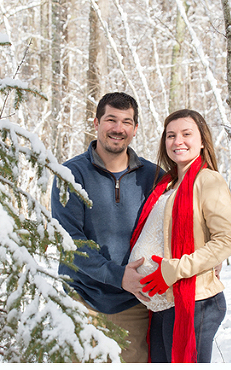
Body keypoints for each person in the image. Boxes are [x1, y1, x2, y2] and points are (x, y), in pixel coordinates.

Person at [50, 92, 161, 362]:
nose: (118, 128)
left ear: (135, 129)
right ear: (97, 122)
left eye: (126, 122)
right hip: (82, 299)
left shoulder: (154, 177)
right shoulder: (71, 174)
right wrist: (118, 275)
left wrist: (209, 256)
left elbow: (179, 222)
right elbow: (70, 243)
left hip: (135, 303)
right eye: (111, 119)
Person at [129, 109, 231, 363]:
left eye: (186, 134)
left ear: (202, 141)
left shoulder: (208, 180)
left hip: (195, 302)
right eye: (171, 135)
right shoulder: (167, 183)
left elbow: (226, 240)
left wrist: (174, 270)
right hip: (164, 303)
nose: (178, 141)